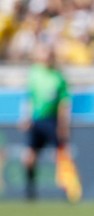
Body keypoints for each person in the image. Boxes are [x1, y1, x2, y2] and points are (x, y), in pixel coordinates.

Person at [19, 42, 72, 201]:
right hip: (37, 120)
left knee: (61, 156)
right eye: (43, 53)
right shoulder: (34, 73)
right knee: (29, 157)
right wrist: (25, 117)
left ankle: (69, 191)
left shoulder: (58, 77)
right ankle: (30, 191)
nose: (46, 57)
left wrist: (63, 125)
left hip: (52, 120)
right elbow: (29, 98)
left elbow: (64, 103)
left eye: (48, 54)